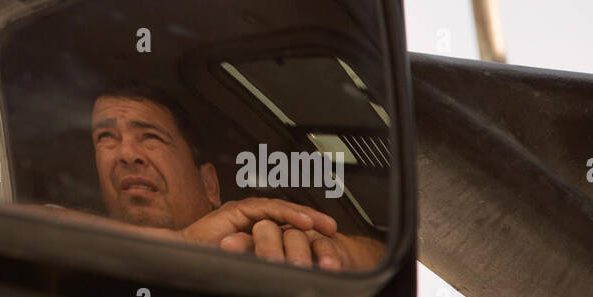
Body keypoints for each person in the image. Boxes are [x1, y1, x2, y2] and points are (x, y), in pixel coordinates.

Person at [85, 83, 384, 272]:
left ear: (210, 185)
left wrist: (340, 254)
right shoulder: (59, 245)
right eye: (106, 138)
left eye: (151, 137)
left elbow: (386, 263)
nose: (127, 153)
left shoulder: (248, 249)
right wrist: (185, 242)